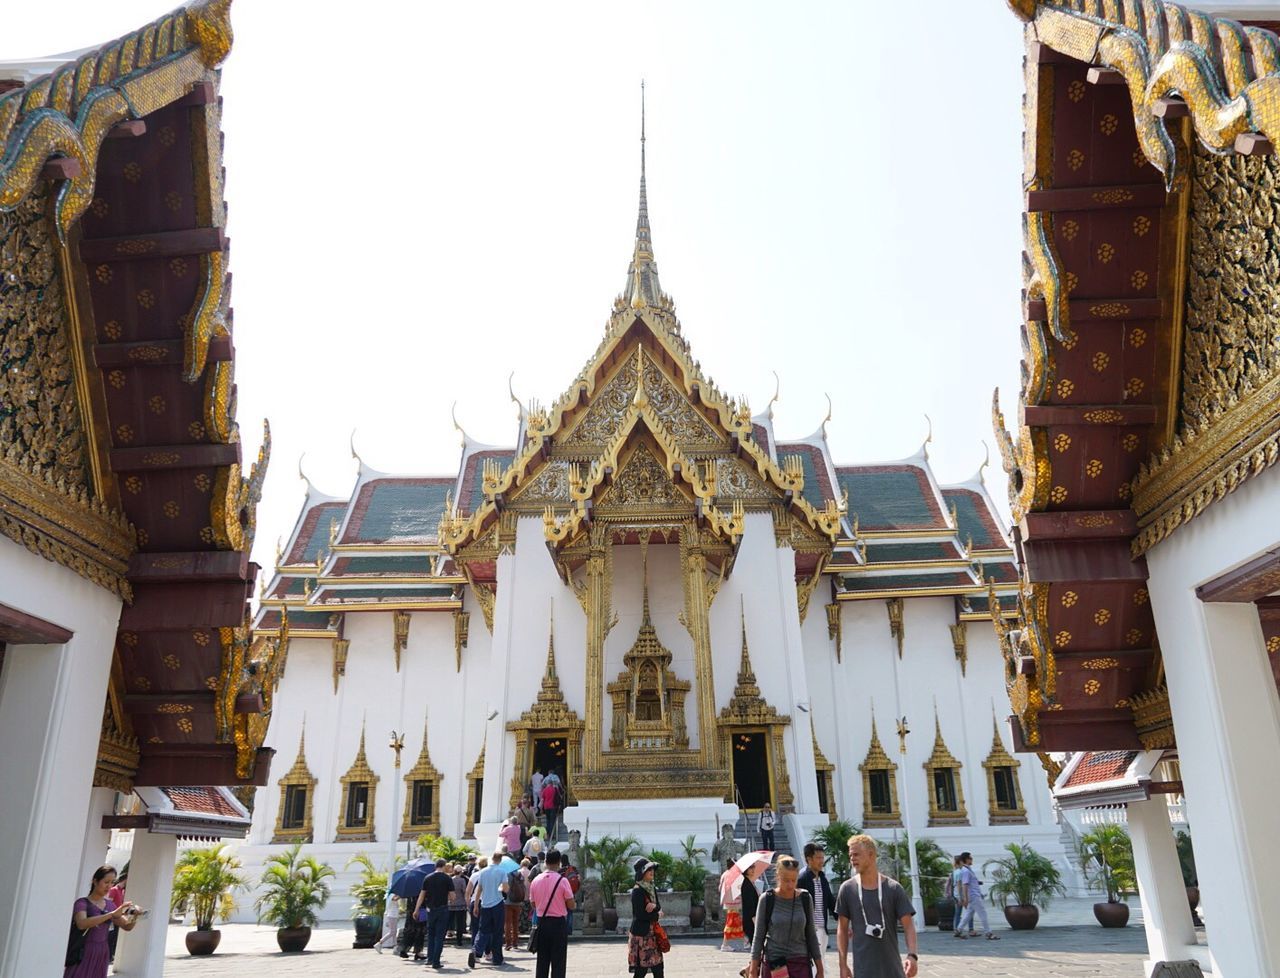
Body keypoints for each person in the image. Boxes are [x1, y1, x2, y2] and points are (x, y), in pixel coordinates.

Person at [835, 835, 918, 978]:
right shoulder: (847, 889)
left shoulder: (893, 888)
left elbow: (908, 925)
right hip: (863, 971)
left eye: (856, 854)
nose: (852, 859)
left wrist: (912, 955)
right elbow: (842, 929)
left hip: (892, 970)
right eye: (850, 855)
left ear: (871, 855)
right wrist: (843, 965)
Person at [747, 854, 824, 978]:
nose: (790, 885)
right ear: (778, 876)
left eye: (794, 880)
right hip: (775, 963)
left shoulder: (805, 898)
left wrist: (820, 969)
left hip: (800, 963)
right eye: (786, 880)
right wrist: (752, 971)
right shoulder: (767, 899)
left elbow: (811, 935)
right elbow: (758, 937)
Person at [65, 865, 138, 978]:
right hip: (84, 951)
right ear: (95, 881)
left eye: (112, 882)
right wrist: (111, 915)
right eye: (106, 882)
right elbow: (81, 923)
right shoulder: (82, 903)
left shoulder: (110, 904)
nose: (109, 886)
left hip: (102, 952)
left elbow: (127, 926)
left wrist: (135, 916)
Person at [529, 848, 575, 978]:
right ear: (559, 862)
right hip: (558, 923)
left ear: (546, 861)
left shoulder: (536, 880)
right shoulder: (562, 881)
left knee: (542, 961)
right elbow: (571, 904)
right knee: (558, 962)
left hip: (542, 922)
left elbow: (533, 904)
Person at [469, 851, 509, 968]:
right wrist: (502, 887)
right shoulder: (502, 871)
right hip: (497, 904)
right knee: (497, 932)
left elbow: (479, 889)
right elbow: (505, 889)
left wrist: (476, 905)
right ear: (500, 860)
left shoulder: (483, 872)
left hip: (485, 904)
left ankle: (476, 951)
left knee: (483, 931)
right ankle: (497, 958)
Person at [415, 858, 457, 968]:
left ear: (435, 866)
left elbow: (422, 895)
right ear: (443, 866)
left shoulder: (427, 878)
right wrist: (449, 897)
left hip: (430, 910)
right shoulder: (447, 878)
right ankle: (436, 961)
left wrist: (416, 909)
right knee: (439, 936)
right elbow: (453, 897)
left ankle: (430, 958)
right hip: (442, 909)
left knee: (431, 935)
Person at [628, 858, 664, 978]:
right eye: (649, 869)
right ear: (642, 872)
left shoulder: (651, 888)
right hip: (641, 936)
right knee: (641, 972)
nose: (652, 872)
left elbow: (658, 906)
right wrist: (657, 915)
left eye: (652, 869)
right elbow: (640, 915)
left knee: (659, 968)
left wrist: (654, 907)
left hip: (653, 934)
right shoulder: (637, 891)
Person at [797, 842, 835, 952]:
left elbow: (830, 901)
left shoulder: (822, 878)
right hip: (809, 930)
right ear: (809, 859)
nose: (822, 861)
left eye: (822, 858)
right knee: (813, 964)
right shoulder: (802, 879)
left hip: (823, 929)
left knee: (820, 961)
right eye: (818, 858)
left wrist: (842, 920)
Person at [956, 852, 998, 941]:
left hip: (974, 895)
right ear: (966, 859)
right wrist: (965, 899)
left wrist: (977, 882)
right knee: (983, 913)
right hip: (973, 896)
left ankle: (959, 929)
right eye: (970, 858)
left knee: (968, 913)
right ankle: (988, 933)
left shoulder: (967, 870)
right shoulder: (966, 871)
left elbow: (969, 883)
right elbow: (965, 885)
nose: (972, 860)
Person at [719, 861, 745, 951]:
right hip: (735, 901)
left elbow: (720, 888)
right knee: (732, 922)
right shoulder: (736, 875)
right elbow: (740, 888)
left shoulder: (724, 874)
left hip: (727, 901)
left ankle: (745, 941)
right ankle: (725, 944)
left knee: (734, 921)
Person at [504, 857, 528, 950]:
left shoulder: (507, 875)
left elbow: (505, 888)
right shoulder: (520, 875)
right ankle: (515, 942)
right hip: (518, 901)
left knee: (507, 923)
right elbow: (523, 887)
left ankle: (508, 943)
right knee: (515, 923)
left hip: (508, 902)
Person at [105, 870, 127, 964]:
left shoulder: (122, 891)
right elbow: (109, 902)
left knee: (115, 937)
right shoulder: (114, 890)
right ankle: (108, 957)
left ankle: (111, 956)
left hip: (119, 917)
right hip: (112, 917)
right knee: (110, 937)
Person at [741, 862, 762, 948]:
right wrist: (754, 918)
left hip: (752, 917)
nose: (753, 870)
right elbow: (750, 904)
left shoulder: (750, 883)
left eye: (753, 867)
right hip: (751, 919)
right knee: (755, 944)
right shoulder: (746, 884)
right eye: (751, 868)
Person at [374, 887, 401, 953]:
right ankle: (379, 943)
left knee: (394, 932)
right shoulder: (391, 895)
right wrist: (401, 895)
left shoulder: (392, 894)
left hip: (394, 915)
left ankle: (395, 947)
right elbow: (395, 899)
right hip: (392, 915)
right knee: (392, 932)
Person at [451, 864, 470, 946]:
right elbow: (464, 891)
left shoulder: (451, 879)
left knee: (450, 921)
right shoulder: (462, 880)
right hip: (461, 903)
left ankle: (449, 933)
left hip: (451, 904)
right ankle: (459, 940)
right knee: (460, 923)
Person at [946, 855, 965, 934]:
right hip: (958, 895)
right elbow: (959, 885)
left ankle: (956, 928)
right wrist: (961, 897)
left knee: (957, 913)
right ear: (960, 862)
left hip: (955, 894)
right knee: (961, 913)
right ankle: (958, 929)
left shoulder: (954, 871)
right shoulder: (959, 872)